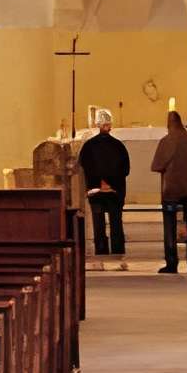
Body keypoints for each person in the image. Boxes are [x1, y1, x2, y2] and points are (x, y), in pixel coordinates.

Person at [152, 109, 187, 274]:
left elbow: (156, 166)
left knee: (169, 225)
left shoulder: (167, 141)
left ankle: (171, 263)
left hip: (172, 192)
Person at [79, 109, 131, 269]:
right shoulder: (118, 146)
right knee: (116, 223)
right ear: (110, 126)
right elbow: (126, 169)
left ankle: (101, 253)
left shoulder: (88, 146)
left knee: (98, 223)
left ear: (97, 125)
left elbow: (83, 166)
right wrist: (111, 183)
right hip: (114, 191)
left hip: (96, 191)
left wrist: (98, 182)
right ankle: (118, 253)